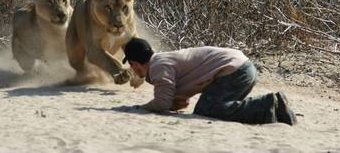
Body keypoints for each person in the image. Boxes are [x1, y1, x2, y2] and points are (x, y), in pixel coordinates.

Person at [121, 37, 297, 125]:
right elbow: (179, 102)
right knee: (215, 106)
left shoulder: (159, 66)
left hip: (234, 70)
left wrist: (141, 108)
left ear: (134, 63)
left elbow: (162, 102)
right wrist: (174, 103)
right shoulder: (162, 62)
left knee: (207, 109)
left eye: (131, 64)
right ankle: (275, 110)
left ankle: (268, 105)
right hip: (242, 67)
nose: (132, 69)